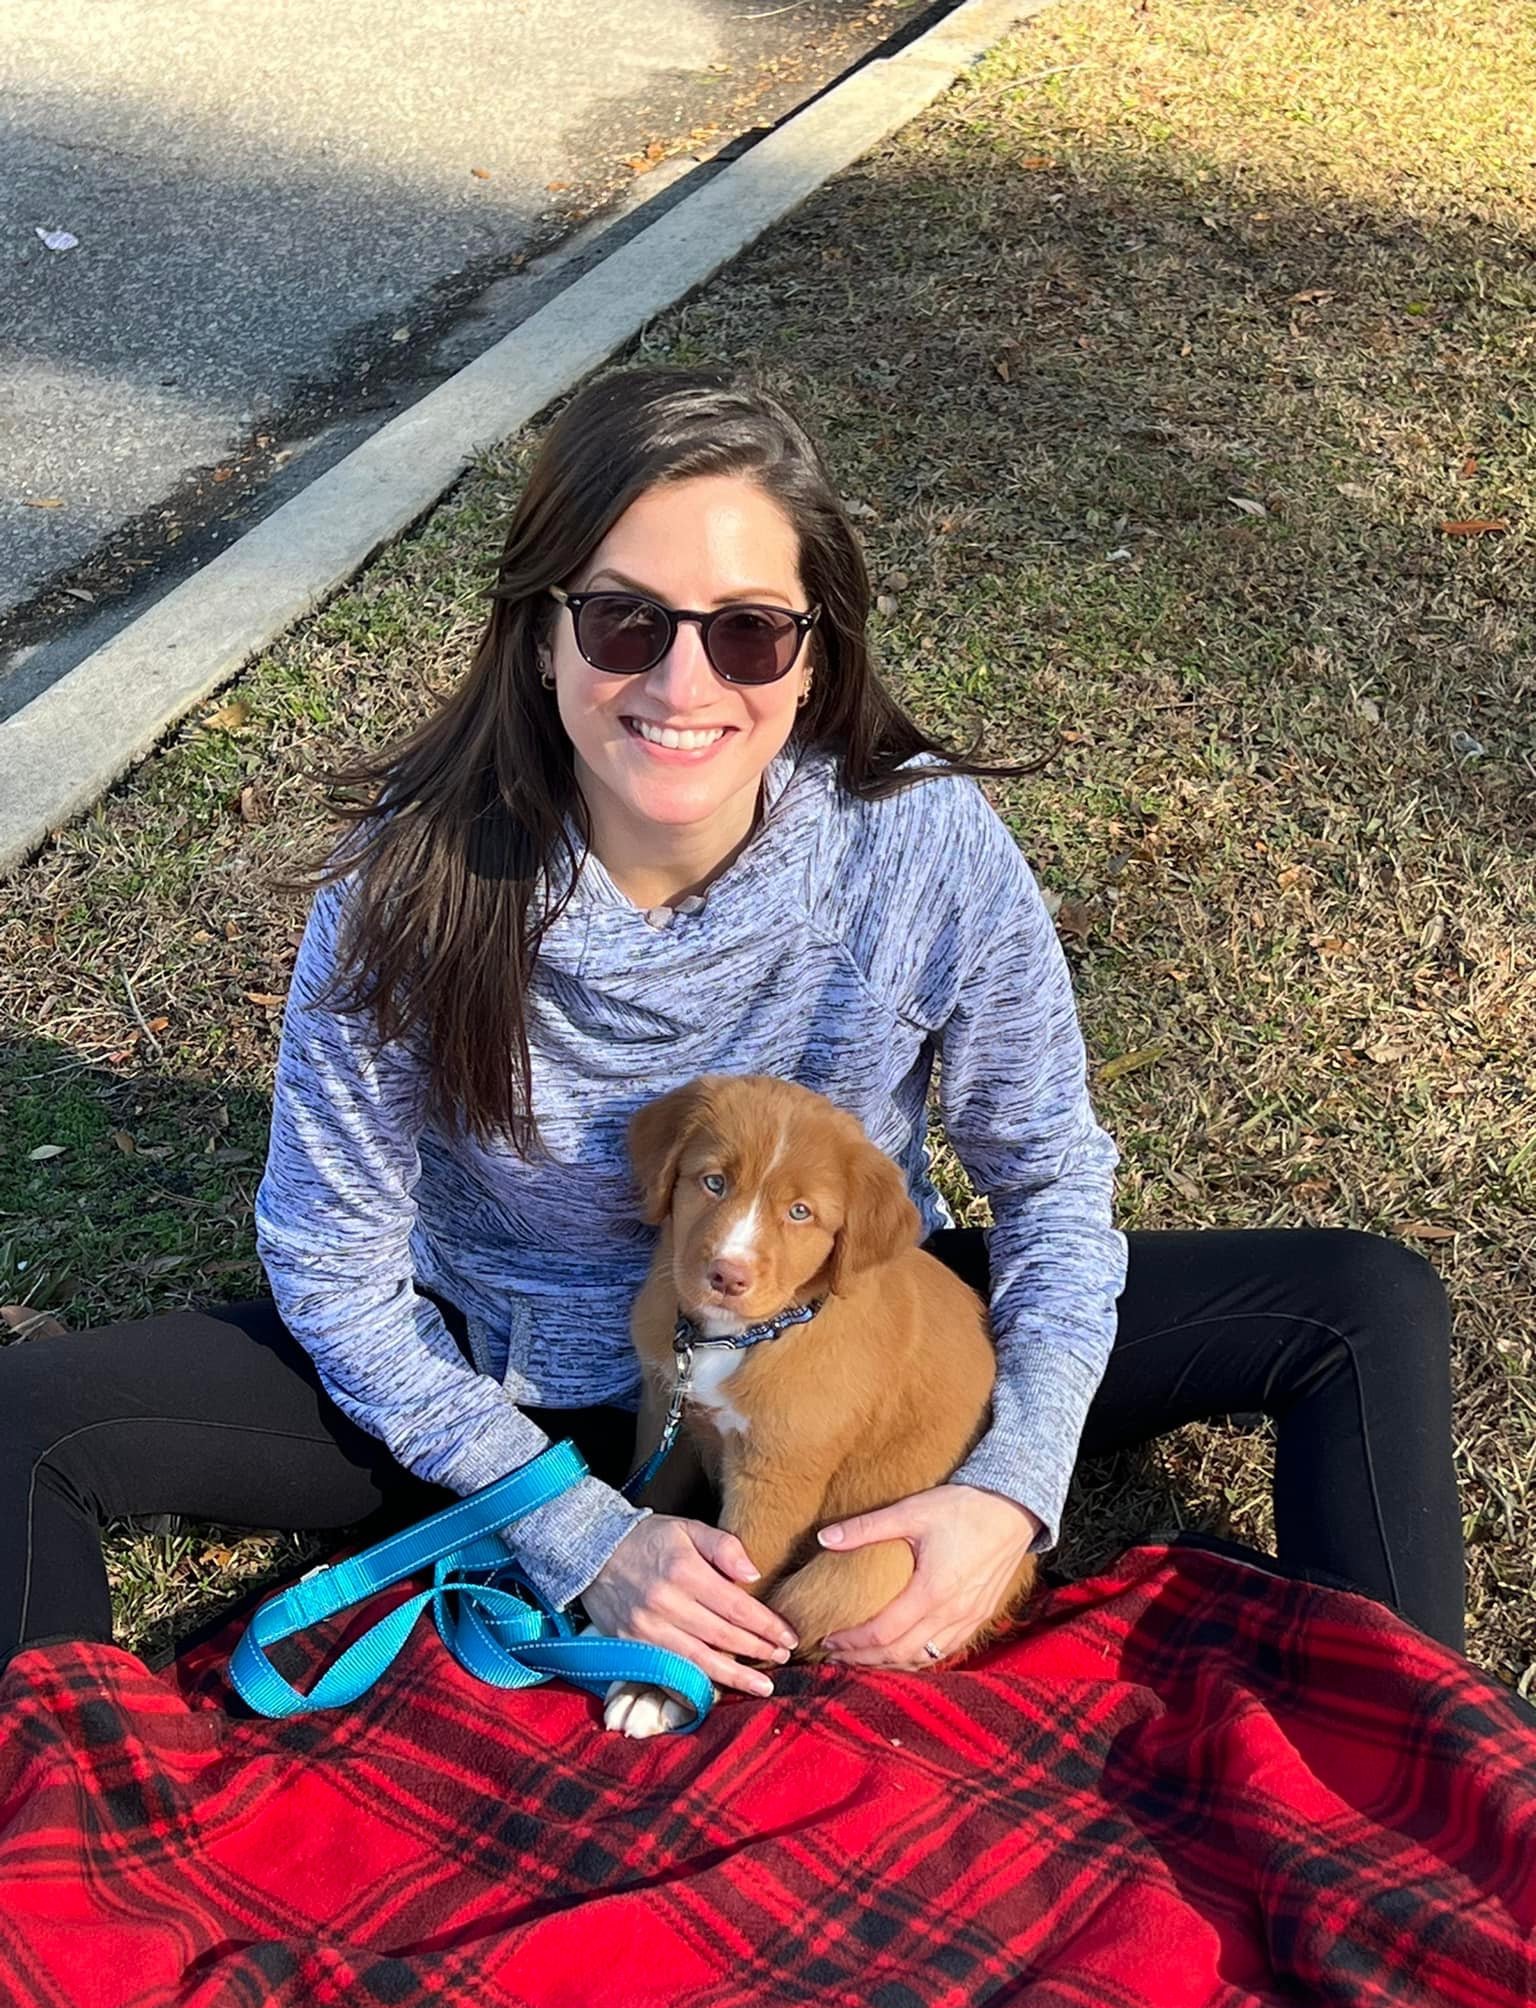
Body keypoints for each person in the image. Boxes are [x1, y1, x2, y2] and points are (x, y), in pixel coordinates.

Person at [1, 366, 1466, 1697]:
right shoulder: (408, 882)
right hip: (515, 1386)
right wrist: (572, 1527)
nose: (683, 684)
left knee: (1361, 1301)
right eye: (623, 619)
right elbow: (331, 1264)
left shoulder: (924, 844)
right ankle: (46, 1869)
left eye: (749, 632)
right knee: (26, 1421)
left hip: (844, 1338)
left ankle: (1421, 1784)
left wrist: (1012, 1483)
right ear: (539, 637)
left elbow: (1048, 1180)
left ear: (815, 656)